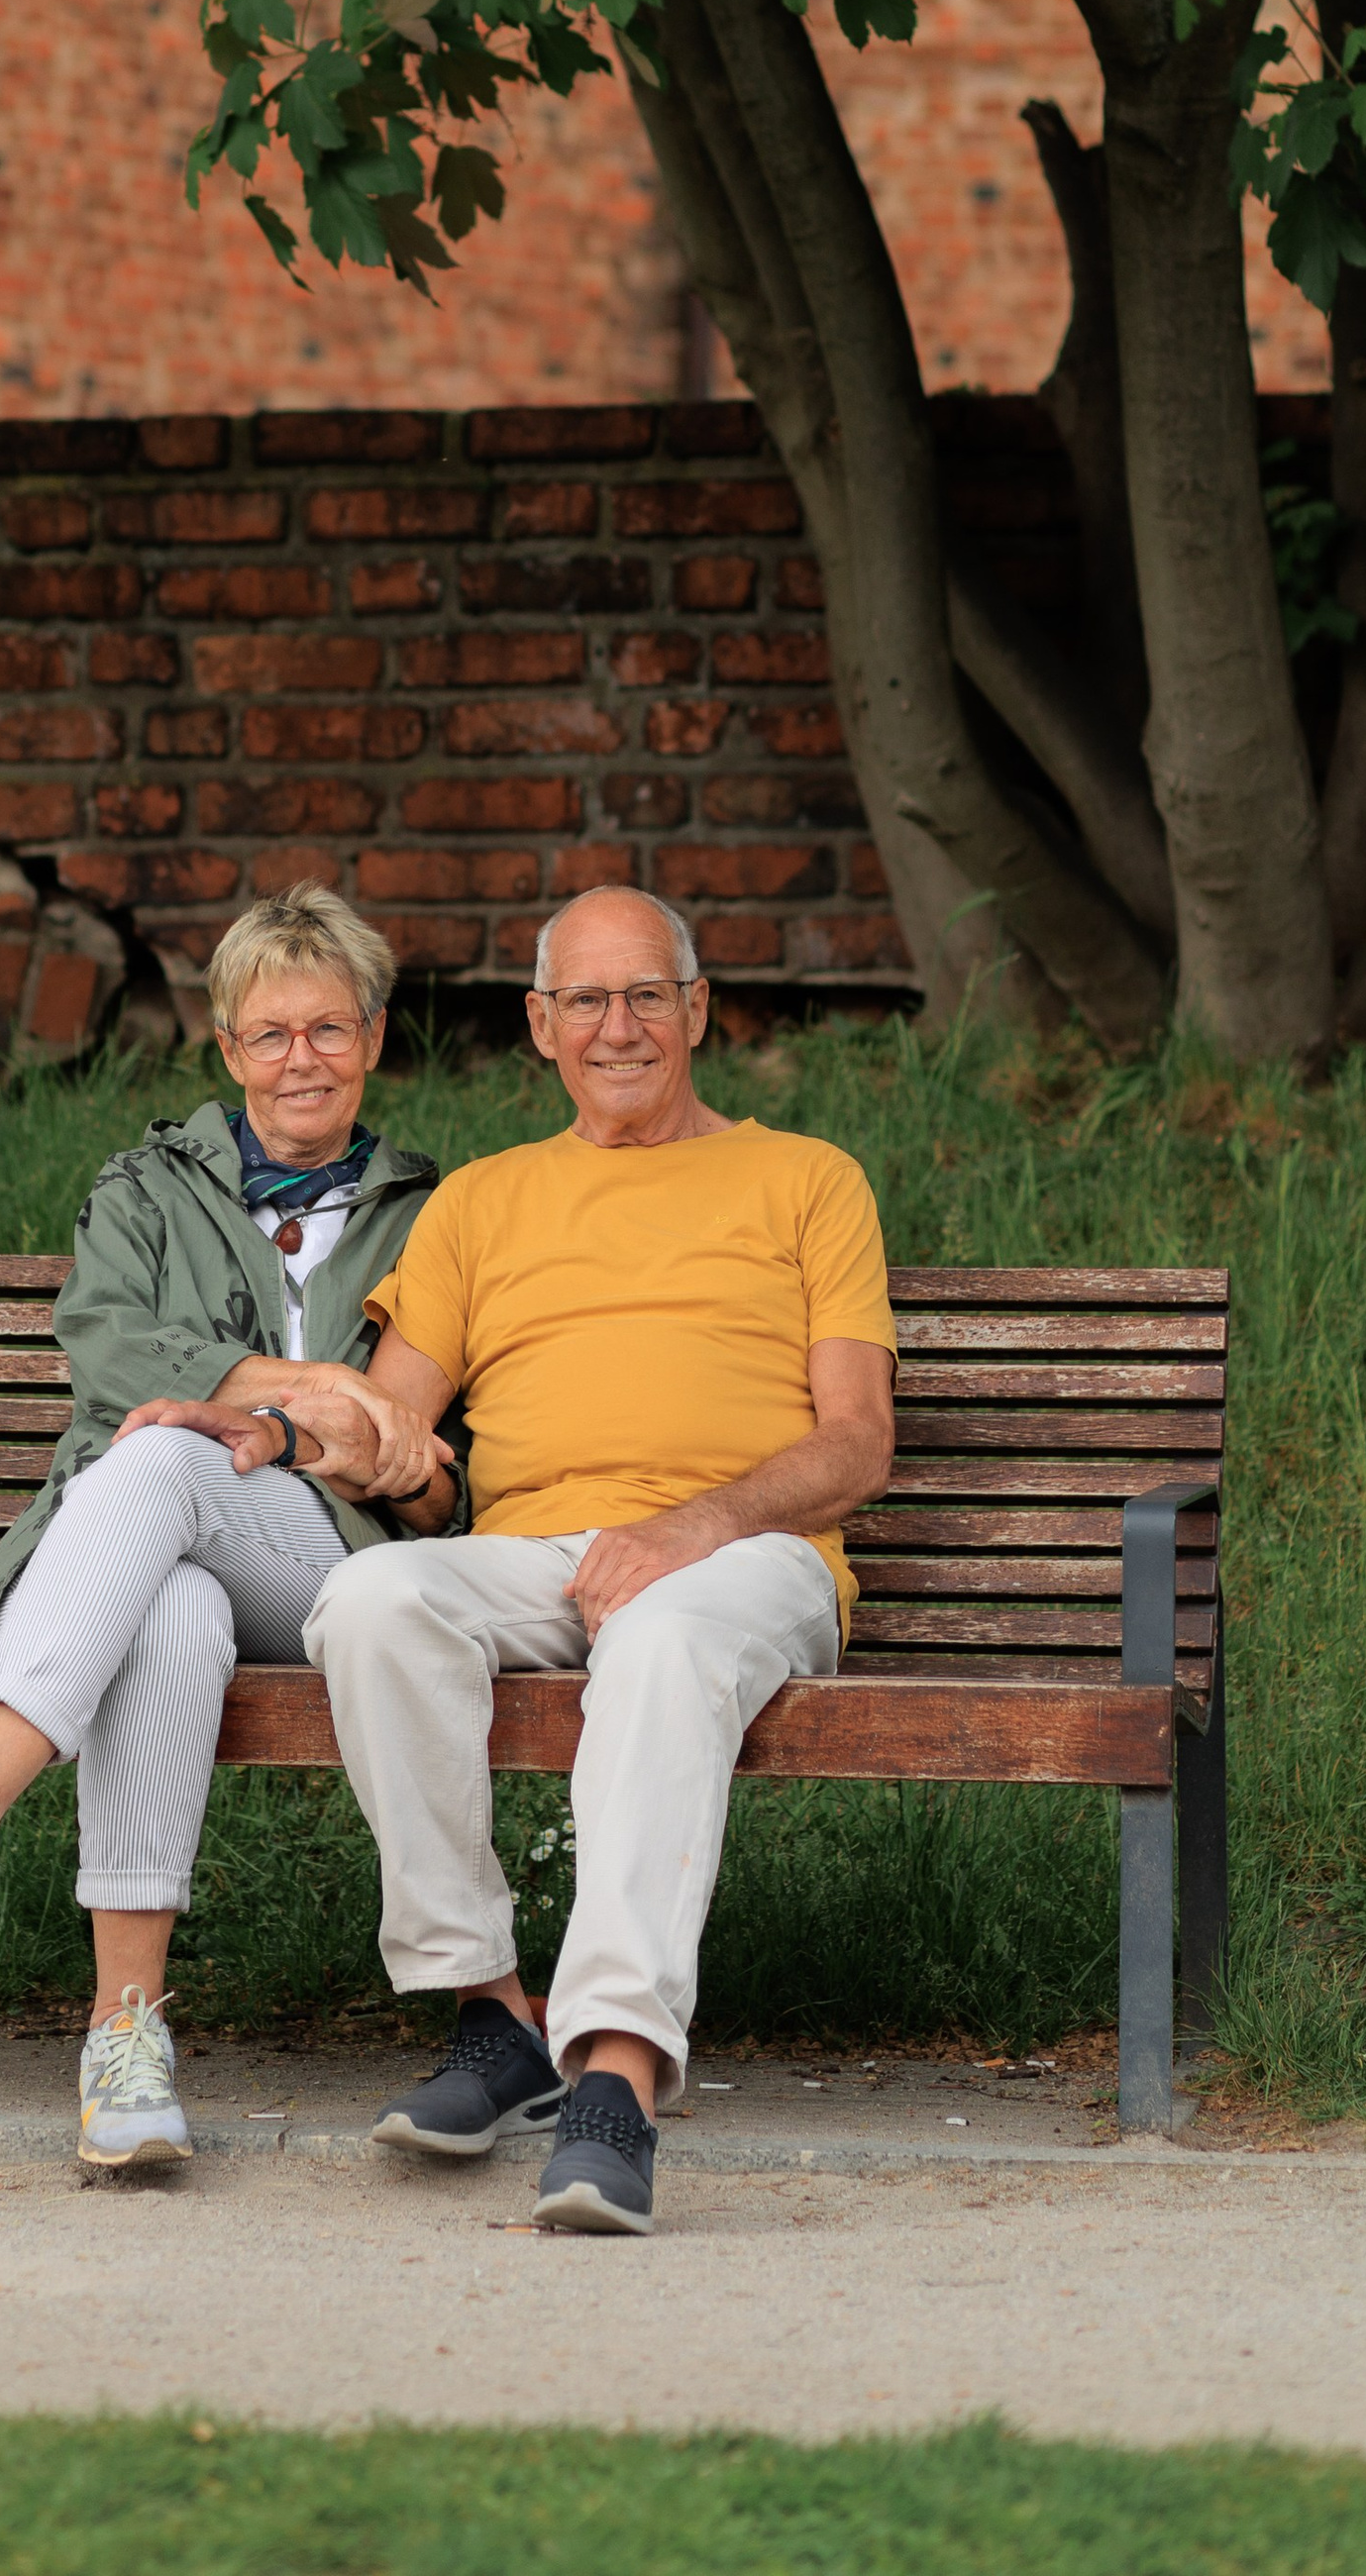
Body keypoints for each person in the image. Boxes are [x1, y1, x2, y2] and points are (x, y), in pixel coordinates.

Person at [301, 884, 896, 2236]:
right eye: (586, 1000)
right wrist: (327, 1440)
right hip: (542, 1555)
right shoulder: (483, 1203)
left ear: (697, 1009)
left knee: (667, 1638)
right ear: (538, 1025)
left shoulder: (807, 1179)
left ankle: (615, 2078)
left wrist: (694, 1527)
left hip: (750, 1557)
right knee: (372, 1599)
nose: (617, 1027)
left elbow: (858, 1446)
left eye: (647, 996)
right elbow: (397, 1422)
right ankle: (492, 2012)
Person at [0, 882, 456, 2169]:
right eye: (270, 1035)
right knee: (171, 1609)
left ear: (377, 1038)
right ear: (226, 1052)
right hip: (136, 1561)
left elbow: (441, 1459)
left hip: (330, 1578)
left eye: (330, 1030)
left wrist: (277, 1423)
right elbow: (112, 1350)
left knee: (170, 1450)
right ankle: (126, 2045)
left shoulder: (438, 1217)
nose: (302, 1060)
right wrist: (315, 1391)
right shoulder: (143, 1187)